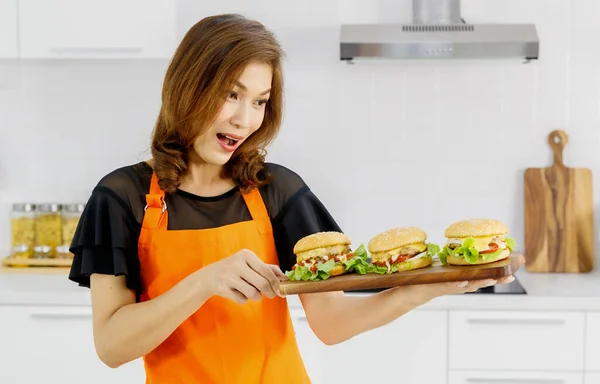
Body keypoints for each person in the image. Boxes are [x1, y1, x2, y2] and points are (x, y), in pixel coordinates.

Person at [68, 13, 514, 384]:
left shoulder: (275, 189)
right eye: (232, 94)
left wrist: (424, 289)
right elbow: (112, 347)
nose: (245, 120)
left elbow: (330, 323)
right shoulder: (121, 197)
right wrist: (204, 282)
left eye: (260, 101)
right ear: (188, 86)